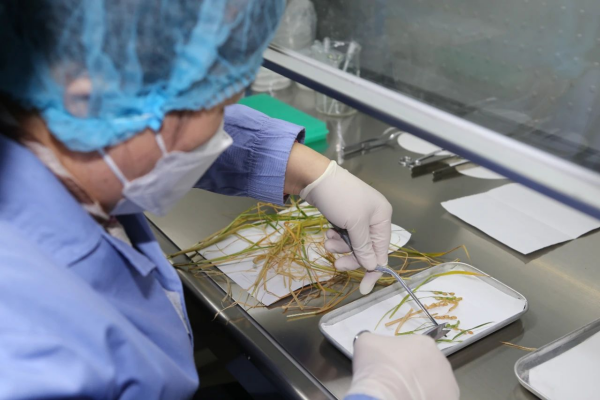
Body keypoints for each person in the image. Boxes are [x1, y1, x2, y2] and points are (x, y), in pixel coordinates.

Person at [0, 0, 457, 398]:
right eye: (217, 106)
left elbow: (154, 119)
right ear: (94, 100)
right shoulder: (26, 347)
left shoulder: (54, 125)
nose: (224, 127)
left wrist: (311, 172)